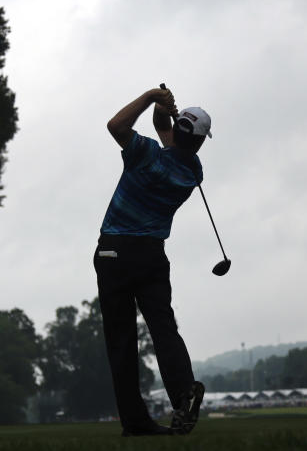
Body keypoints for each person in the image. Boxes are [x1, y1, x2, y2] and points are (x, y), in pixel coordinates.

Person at [94, 86, 210, 437]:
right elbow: (166, 131)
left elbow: (115, 125)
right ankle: (182, 391)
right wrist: (165, 109)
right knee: (163, 329)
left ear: (177, 132)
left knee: (122, 339)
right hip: (152, 256)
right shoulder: (192, 173)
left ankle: (135, 422)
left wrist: (149, 97)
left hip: (114, 251)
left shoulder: (145, 154)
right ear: (201, 142)